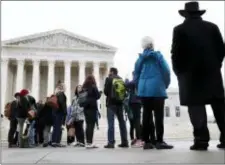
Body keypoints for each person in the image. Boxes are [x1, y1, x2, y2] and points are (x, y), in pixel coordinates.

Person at [171, 1, 225, 150]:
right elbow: (221, 49)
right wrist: (216, 65)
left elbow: (176, 54)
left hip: (191, 76)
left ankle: (201, 141)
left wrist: (179, 72)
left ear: (186, 14)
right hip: (212, 73)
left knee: (196, 109)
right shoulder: (212, 27)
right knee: (219, 107)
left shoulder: (179, 30)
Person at [134, 36, 173, 150]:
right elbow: (166, 70)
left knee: (146, 115)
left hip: (144, 89)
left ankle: (147, 142)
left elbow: (136, 75)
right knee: (158, 116)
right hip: (157, 88)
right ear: (152, 45)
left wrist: (139, 87)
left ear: (143, 46)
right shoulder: (158, 56)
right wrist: (165, 84)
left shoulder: (140, 59)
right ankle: (159, 141)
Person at [104, 67, 128, 149]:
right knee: (122, 122)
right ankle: (125, 142)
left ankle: (111, 143)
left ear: (111, 72)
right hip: (120, 103)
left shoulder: (109, 79)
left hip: (111, 104)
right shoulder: (121, 79)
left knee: (111, 123)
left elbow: (105, 92)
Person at [82, 75, 101, 149]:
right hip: (92, 108)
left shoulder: (84, 87)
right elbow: (98, 96)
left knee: (87, 125)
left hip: (86, 108)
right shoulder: (93, 86)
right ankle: (90, 142)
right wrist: (100, 93)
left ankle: (88, 142)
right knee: (91, 125)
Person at [125, 72, 143, 147]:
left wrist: (126, 80)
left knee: (136, 121)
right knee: (137, 120)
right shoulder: (141, 81)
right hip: (139, 102)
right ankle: (139, 138)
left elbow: (126, 85)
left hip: (134, 102)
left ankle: (139, 139)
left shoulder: (135, 81)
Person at [51, 83, 67, 147]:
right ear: (62, 87)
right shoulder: (61, 94)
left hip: (55, 113)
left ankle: (55, 141)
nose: (65, 88)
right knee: (58, 127)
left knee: (56, 127)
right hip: (59, 113)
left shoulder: (56, 94)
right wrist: (65, 111)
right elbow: (61, 103)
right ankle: (56, 142)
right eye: (65, 87)